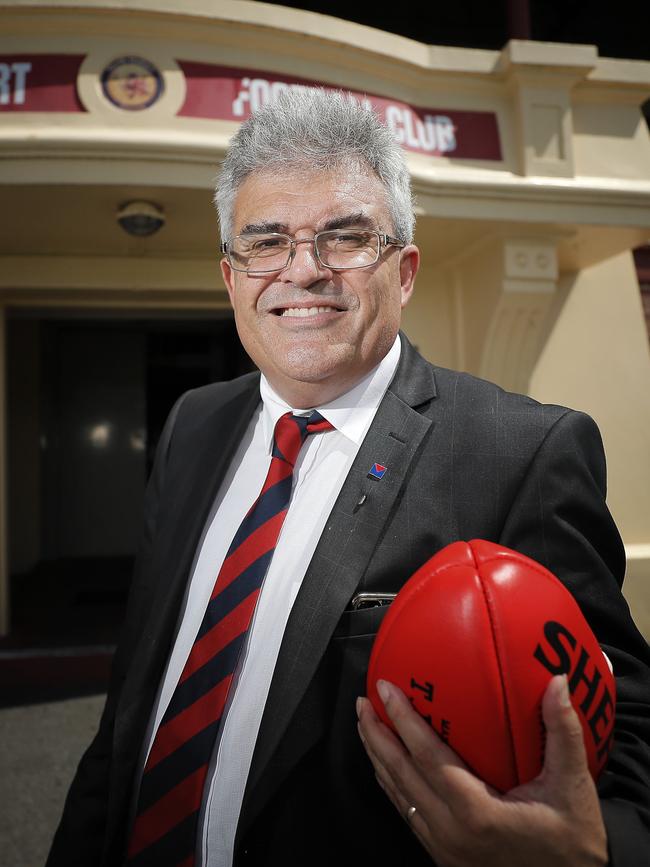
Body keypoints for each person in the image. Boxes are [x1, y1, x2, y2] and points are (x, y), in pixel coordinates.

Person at [47, 89, 650, 867]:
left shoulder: (523, 451)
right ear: (231, 278)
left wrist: (593, 850)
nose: (304, 271)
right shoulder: (192, 426)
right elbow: (136, 699)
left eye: (345, 237)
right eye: (266, 242)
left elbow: (625, 730)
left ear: (403, 271)